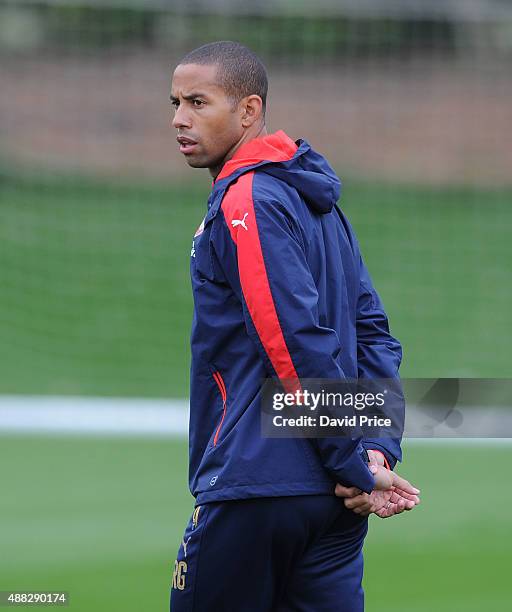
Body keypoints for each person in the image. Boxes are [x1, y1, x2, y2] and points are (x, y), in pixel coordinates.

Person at [169, 41, 420, 612]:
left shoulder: (248, 198)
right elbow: (374, 336)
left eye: (198, 102)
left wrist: (352, 458)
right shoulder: (321, 204)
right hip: (335, 503)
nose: (179, 119)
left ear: (249, 111)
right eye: (175, 102)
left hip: (261, 487)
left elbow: (291, 341)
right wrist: (375, 453)